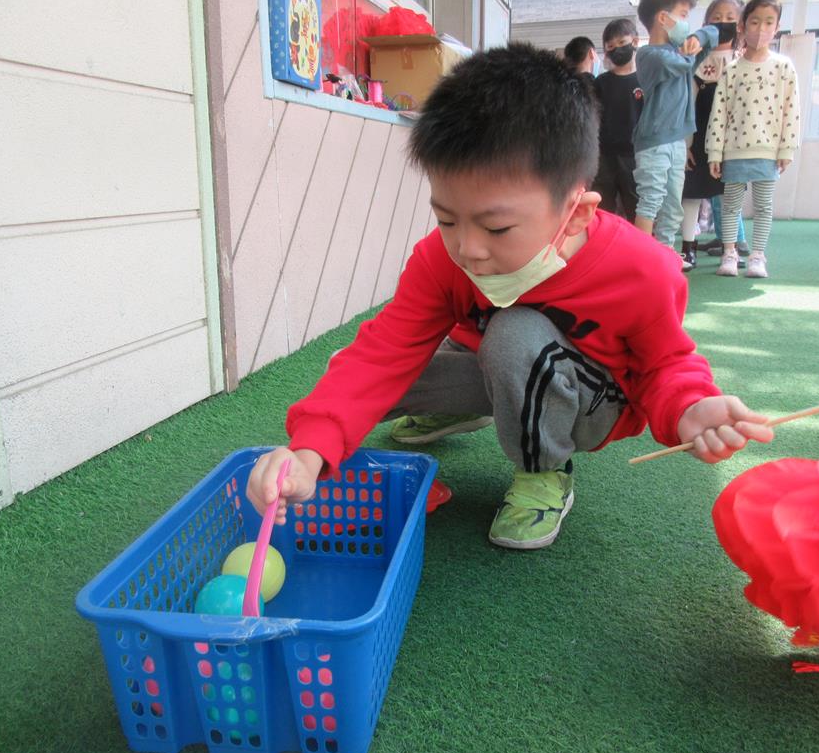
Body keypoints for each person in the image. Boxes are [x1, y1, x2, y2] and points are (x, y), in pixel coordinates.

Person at [245, 44, 773, 551]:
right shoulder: (441, 258)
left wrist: (689, 406)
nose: (468, 249)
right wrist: (310, 448)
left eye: (496, 228)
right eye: (446, 219)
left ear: (577, 213)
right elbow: (384, 351)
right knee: (352, 369)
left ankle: (544, 472)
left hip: (590, 404)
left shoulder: (643, 270)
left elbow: (665, 364)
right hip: (502, 364)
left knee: (514, 335)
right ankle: (461, 411)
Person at [706, 0, 799, 279]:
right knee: (730, 205)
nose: (761, 29)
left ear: (777, 27)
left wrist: (787, 149)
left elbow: (791, 109)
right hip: (734, 149)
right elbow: (719, 112)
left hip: (768, 149)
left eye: (768, 23)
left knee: (763, 206)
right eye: (755, 22)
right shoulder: (732, 69)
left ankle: (758, 255)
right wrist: (715, 152)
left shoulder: (784, 67)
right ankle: (730, 252)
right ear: (742, 26)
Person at [632, 0, 719, 256]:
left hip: (677, 141)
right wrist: (692, 47)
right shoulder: (648, 55)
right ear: (663, 18)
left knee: (673, 206)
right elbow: (680, 64)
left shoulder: (680, 53)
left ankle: (666, 256)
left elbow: (714, 34)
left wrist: (699, 37)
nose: (686, 23)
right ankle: (641, 260)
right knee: (650, 201)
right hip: (653, 142)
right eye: (682, 15)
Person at [680, 0, 748, 271]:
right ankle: (688, 248)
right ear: (706, 24)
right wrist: (686, 144)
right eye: (717, 17)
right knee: (692, 193)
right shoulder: (699, 60)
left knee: (729, 195)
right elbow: (688, 103)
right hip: (699, 136)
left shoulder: (743, 61)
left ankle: (731, 248)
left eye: (730, 17)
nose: (723, 23)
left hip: (732, 141)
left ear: (740, 24)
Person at [593, 18, 644, 220]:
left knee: (636, 207)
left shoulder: (645, 80)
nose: (617, 49)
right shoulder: (601, 83)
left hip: (635, 155)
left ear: (635, 41)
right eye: (611, 46)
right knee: (602, 209)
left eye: (622, 43)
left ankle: (638, 240)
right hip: (604, 156)